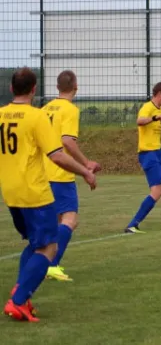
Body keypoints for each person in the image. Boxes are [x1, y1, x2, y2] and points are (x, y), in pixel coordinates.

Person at [1, 68, 96, 322]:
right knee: (49, 247)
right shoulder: (35, 117)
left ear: (11, 88)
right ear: (34, 89)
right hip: (34, 190)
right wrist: (85, 171)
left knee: (36, 243)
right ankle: (17, 301)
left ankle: (21, 291)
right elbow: (57, 155)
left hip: (10, 191)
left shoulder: (1, 115)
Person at [42, 70, 101, 282]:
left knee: (57, 221)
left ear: (57, 87)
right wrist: (86, 164)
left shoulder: (46, 108)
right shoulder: (70, 110)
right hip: (61, 172)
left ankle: (46, 263)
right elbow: (67, 141)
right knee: (70, 219)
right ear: (76, 86)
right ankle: (51, 264)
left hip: (43, 171)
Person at [124, 82, 161, 234]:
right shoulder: (148, 107)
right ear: (159, 94)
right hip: (148, 155)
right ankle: (132, 224)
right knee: (156, 192)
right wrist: (155, 117)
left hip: (160, 152)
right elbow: (139, 121)